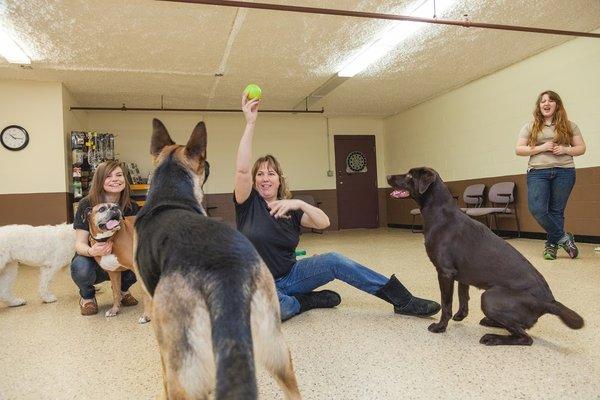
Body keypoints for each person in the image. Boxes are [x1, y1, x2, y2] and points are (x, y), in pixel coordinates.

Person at [234, 93, 440, 321]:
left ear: (279, 179)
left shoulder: (292, 209)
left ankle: (403, 300)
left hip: (292, 275)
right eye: (260, 174)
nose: (265, 178)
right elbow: (242, 169)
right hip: (259, 283)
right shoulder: (248, 204)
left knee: (334, 259)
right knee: (276, 311)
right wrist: (250, 123)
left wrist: (301, 203)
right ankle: (305, 300)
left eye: (271, 173)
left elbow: (324, 223)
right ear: (254, 181)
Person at [515, 90, 586, 260]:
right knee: (537, 209)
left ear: (557, 104)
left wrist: (565, 149)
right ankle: (563, 237)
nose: (546, 104)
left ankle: (551, 246)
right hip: (538, 172)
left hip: (565, 171)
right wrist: (542, 147)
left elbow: (581, 148)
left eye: (550, 101)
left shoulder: (569, 125)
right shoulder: (530, 126)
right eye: (542, 101)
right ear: (539, 106)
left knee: (556, 211)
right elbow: (519, 149)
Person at [70, 161, 140, 315]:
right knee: (80, 268)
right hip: (94, 260)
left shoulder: (131, 206)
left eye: (119, 175)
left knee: (142, 261)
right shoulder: (87, 204)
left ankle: (122, 291)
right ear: (100, 180)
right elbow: (80, 243)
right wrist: (92, 251)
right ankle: (87, 297)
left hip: (122, 258)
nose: (115, 179)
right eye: (108, 176)